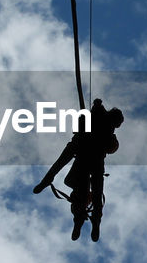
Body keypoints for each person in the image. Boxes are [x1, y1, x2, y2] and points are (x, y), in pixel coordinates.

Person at [33, 98, 123, 241]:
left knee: (93, 188)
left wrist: (91, 112)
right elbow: (85, 119)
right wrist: (93, 109)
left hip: (91, 157)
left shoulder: (107, 128)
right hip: (83, 149)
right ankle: (48, 180)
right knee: (90, 186)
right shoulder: (100, 112)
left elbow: (112, 147)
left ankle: (93, 221)